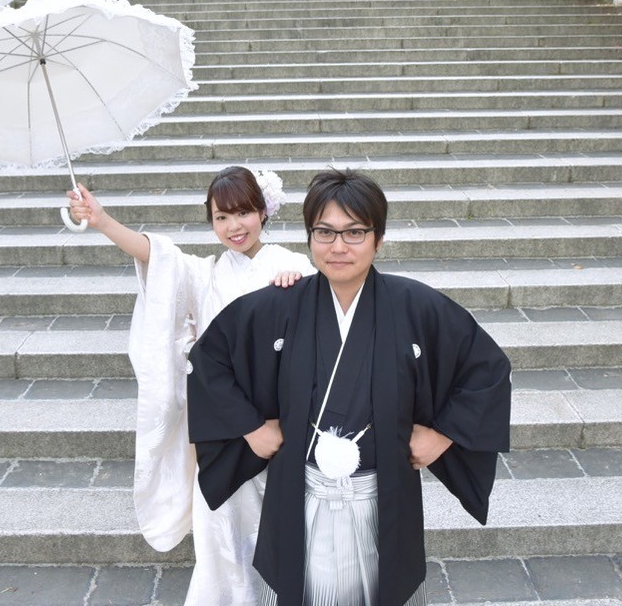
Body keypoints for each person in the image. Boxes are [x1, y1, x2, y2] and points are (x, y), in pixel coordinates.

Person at [186, 169, 512, 606]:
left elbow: (487, 368)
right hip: (299, 495)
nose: (338, 246)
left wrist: (443, 435)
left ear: (378, 240)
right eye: (325, 232)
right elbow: (208, 360)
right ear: (309, 238)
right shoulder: (279, 304)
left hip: (382, 495)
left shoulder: (416, 305)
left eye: (355, 232)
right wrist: (249, 427)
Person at [67, 166, 314, 606]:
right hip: (223, 423)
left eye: (243, 213)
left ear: (263, 211)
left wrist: (299, 287)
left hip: (278, 423)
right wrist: (102, 220)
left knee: (280, 527)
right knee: (222, 530)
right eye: (221, 217)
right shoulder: (204, 275)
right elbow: (153, 255)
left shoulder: (292, 265)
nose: (234, 226)